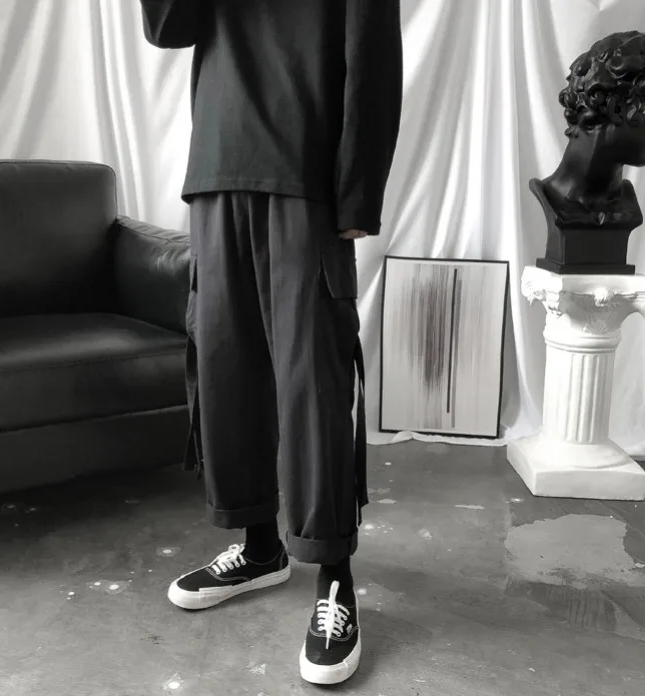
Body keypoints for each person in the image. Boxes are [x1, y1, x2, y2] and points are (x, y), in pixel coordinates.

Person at [140, 0, 402, 684]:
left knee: (314, 385)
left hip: (304, 173)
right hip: (216, 167)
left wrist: (358, 194)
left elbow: (374, 59)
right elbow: (166, 27)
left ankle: (334, 576)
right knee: (226, 373)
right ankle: (259, 547)